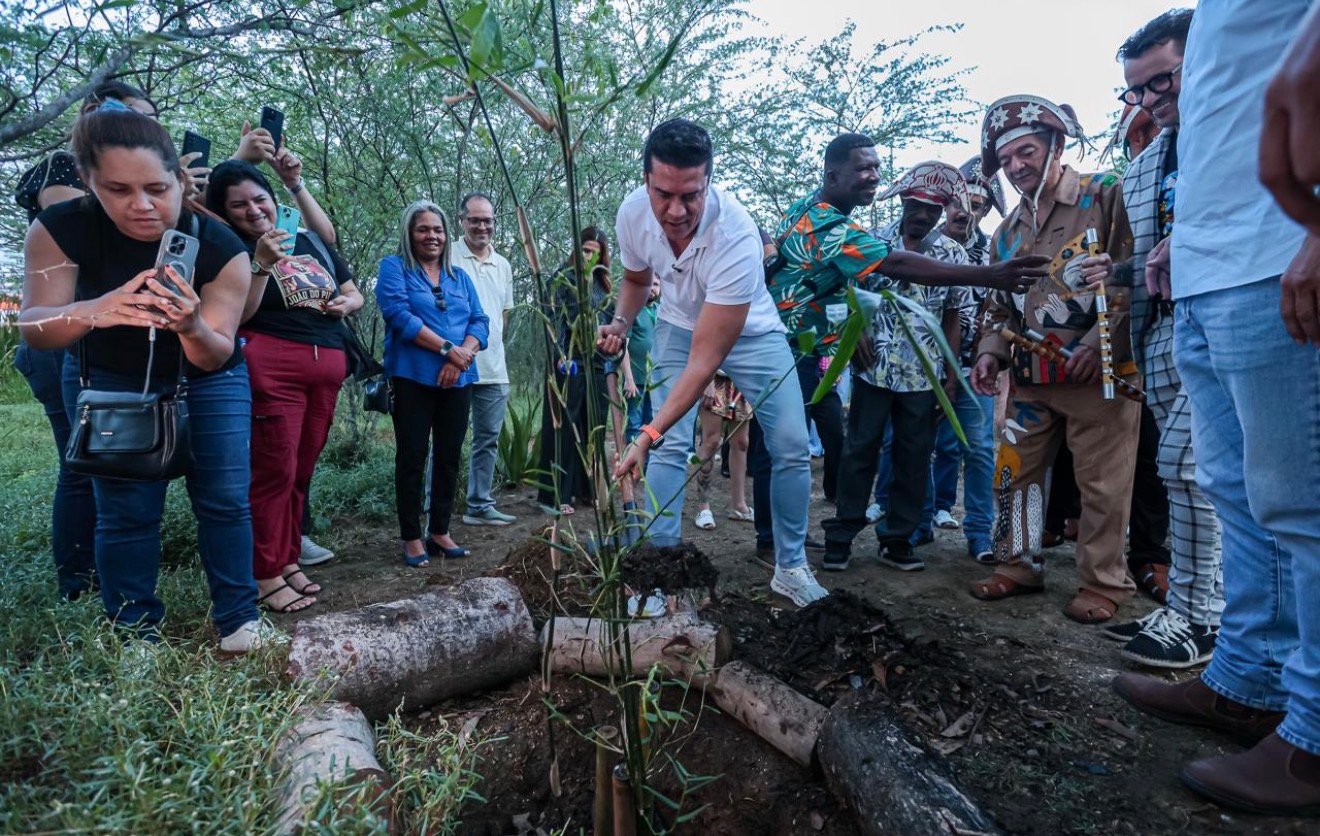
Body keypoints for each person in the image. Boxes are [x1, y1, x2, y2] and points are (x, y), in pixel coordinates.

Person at [1113, 0, 1320, 813]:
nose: (1150, 98)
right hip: (1209, 274)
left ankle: (1314, 739)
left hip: (1280, 256)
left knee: (1304, 505)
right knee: (1238, 494)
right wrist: (1187, 237)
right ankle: (1247, 681)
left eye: (1159, 83)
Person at [18, 107, 268, 653]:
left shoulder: (223, 247)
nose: (142, 205)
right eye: (118, 189)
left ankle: (239, 622)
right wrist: (94, 310)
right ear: (90, 182)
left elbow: (216, 353)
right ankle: (135, 634)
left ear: (180, 179)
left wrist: (191, 325)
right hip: (108, 374)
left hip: (209, 379)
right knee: (126, 510)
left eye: (157, 188)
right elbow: (35, 328)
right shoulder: (60, 228)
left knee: (225, 500)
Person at [11, 82, 198, 602]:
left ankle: (102, 575)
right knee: (84, 465)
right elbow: (81, 239)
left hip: (125, 342)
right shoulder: (62, 177)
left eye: (150, 118)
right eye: (128, 113)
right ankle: (79, 581)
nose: (138, 125)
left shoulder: (157, 189)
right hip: (71, 342)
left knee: (103, 471)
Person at [968, 93, 1139, 625]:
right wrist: (990, 354)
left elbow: (1133, 271)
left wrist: (1099, 341)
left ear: (1056, 145)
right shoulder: (1005, 233)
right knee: (1013, 471)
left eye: (1026, 152)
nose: (1017, 166)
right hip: (1029, 378)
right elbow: (998, 307)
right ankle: (1017, 564)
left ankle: (1103, 581)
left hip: (1100, 376)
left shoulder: (1105, 193)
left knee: (1103, 484)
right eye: (1007, 159)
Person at [1100, 8, 1225, 670]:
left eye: (1161, 80)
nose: (1150, 98)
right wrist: (1116, 272)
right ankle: (1196, 608)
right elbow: (1154, 259)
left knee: (1192, 471)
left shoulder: (1240, 132)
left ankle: (1202, 616)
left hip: (1233, 324)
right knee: (1188, 476)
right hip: (1167, 336)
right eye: (1137, 89)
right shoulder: (1145, 166)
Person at [205, 160, 363, 612]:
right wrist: (260, 264)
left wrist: (346, 303)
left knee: (300, 469)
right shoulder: (232, 247)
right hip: (274, 364)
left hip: (326, 360)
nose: (254, 210)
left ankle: (288, 557)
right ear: (225, 212)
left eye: (260, 199)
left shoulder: (307, 239)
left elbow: (354, 291)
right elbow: (240, 314)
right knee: (274, 469)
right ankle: (265, 573)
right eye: (240, 205)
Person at [824, 161, 971, 573]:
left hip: (924, 375)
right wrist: (853, 334)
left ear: (942, 212)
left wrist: (951, 377)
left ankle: (897, 540)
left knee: (914, 456)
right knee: (859, 451)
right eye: (916, 206)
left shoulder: (952, 254)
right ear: (904, 202)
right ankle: (842, 535)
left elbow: (954, 316)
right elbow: (844, 294)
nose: (923, 215)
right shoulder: (873, 242)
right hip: (873, 367)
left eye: (932, 210)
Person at [377, 200, 489, 567]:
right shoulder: (394, 267)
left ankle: (439, 530)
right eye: (423, 229)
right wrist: (447, 350)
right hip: (412, 377)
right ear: (410, 233)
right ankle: (411, 535)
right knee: (412, 456)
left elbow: (480, 321)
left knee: (449, 456)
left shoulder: (460, 277)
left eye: (438, 229)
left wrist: (463, 355)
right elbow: (398, 315)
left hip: (459, 378)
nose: (432, 236)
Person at [536, 227, 614, 514]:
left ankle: (586, 489)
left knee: (594, 427)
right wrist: (559, 354)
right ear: (577, 249)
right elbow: (553, 319)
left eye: (596, 253)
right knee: (564, 427)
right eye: (585, 250)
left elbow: (610, 323)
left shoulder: (602, 285)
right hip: (569, 362)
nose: (589, 257)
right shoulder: (561, 279)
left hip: (597, 363)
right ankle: (556, 494)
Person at [453, 192, 518, 527]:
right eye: (474, 220)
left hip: (494, 367)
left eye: (488, 220)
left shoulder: (503, 264)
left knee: (487, 439)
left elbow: (503, 315)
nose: (482, 227)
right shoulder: (448, 254)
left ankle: (479, 504)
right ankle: (434, 508)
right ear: (461, 220)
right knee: (447, 439)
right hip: (454, 364)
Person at [690, 371, 753, 530]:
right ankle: (703, 508)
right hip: (715, 377)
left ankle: (739, 505)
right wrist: (707, 381)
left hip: (741, 378)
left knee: (741, 442)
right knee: (711, 441)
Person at [621, 274, 661, 443]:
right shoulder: (633, 310)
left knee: (652, 427)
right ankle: (632, 459)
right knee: (634, 425)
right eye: (649, 284)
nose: (652, 288)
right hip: (636, 381)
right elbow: (623, 346)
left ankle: (647, 460)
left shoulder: (661, 311)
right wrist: (628, 379)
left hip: (656, 382)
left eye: (656, 284)